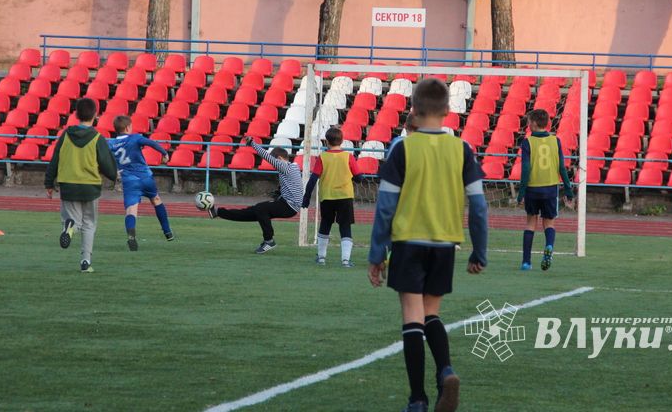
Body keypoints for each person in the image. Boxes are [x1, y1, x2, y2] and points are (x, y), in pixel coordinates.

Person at [368, 78, 488, 412]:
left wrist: (377, 253)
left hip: (408, 242)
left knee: (411, 317)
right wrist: (480, 250)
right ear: (449, 111)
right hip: (444, 244)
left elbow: (385, 206)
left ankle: (417, 398)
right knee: (431, 312)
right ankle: (446, 369)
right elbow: (478, 206)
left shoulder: (403, 149)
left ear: (415, 112)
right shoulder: (462, 149)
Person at [45, 97, 118, 273]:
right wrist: (114, 175)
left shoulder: (66, 135)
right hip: (90, 186)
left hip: (68, 184)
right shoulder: (97, 138)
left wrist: (49, 182)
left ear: (76, 114)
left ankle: (69, 229)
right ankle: (85, 261)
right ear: (95, 115)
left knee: (73, 220)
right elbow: (107, 164)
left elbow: (55, 159)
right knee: (89, 224)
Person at [207, 136, 302, 254]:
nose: (274, 165)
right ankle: (218, 212)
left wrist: (252, 143)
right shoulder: (294, 167)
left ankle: (269, 240)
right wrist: (280, 192)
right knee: (251, 212)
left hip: (289, 206)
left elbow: (266, 156)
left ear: (279, 158)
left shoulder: (286, 167)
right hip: (286, 203)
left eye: (275, 161)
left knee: (261, 208)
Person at [516, 108, 574, 271]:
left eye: (528, 122)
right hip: (550, 188)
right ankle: (549, 245)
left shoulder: (527, 142)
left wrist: (521, 193)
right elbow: (562, 167)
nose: (527, 125)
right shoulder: (556, 141)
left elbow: (525, 169)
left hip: (532, 189)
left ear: (533, 123)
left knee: (530, 223)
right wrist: (568, 190)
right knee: (549, 222)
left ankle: (526, 262)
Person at [107, 115, 173, 251]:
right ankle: (167, 232)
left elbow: (104, 157)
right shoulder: (135, 138)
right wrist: (164, 153)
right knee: (156, 200)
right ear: (127, 127)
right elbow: (151, 143)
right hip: (145, 177)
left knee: (131, 210)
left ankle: (131, 236)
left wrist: (113, 171)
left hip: (129, 180)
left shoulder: (110, 143)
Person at [302, 127, 361, 267]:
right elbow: (359, 178)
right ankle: (345, 260)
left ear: (326, 142)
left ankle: (321, 258)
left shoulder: (323, 157)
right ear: (342, 141)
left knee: (325, 224)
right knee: (345, 226)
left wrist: (306, 197)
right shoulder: (348, 157)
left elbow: (313, 179)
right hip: (345, 196)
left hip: (327, 196)